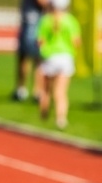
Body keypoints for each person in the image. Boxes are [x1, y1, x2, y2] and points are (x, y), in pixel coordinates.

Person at [36, 0, 82, 129]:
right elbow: (76, 42)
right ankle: (61, 119)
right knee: (61, 92)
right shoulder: (71, 20)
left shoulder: (46, 20)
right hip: (66, 58)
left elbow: (40, 41)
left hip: (50, 57)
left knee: (46, 89)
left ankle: (43, 114)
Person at [14, 0, 47, 102]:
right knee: (27, 56)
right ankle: (22, 89)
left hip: (37, 20)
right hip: (32, 21)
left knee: (38, 59)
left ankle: (36, 90)